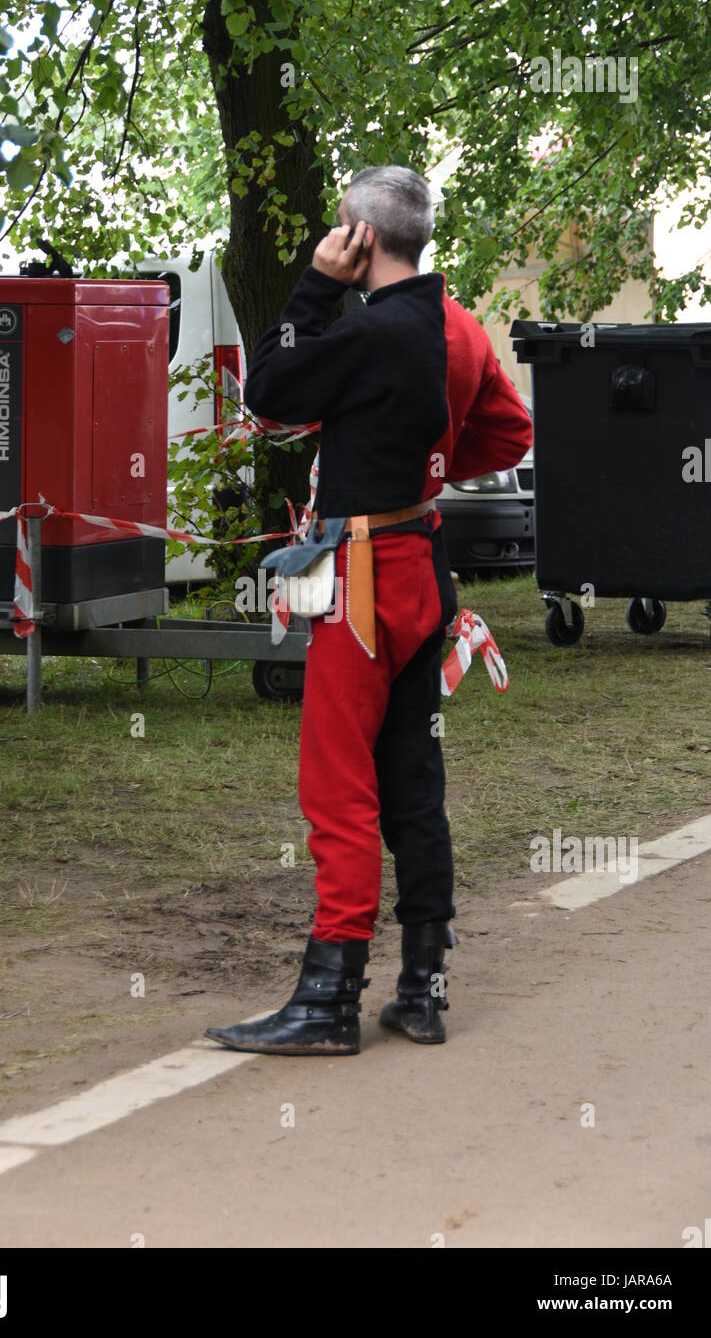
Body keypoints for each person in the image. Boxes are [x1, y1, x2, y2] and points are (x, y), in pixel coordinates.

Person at [205, 165, 532, 1056]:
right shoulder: (457, 326)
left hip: (363, 575)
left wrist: (314, 287)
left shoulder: (366, 331)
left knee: (338, 784)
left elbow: (267, 389)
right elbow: (509, 432)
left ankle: (327, 1000)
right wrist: (427, 465)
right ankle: (422, 987)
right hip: (425, 561)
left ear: (356, 235)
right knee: (412, 782)